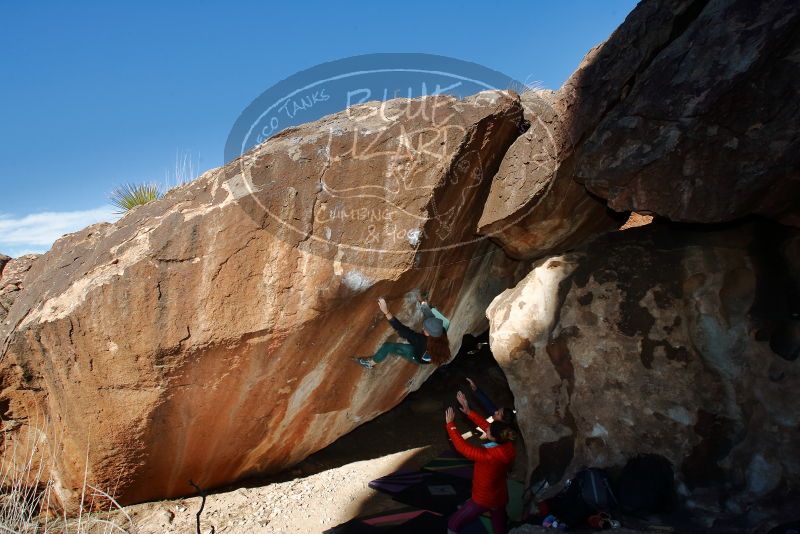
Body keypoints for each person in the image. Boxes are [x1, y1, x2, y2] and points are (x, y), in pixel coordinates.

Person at [445, 405, 516, 534]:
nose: (486, 430)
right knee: (499, 529)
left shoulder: (488, 456)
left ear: (494, 438)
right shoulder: (508, 445)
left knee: (453, 523)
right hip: (500, 495)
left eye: (488, 432)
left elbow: (463, 448)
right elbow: (488, 426)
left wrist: (451, 425)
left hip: (483, 499)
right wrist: (469, 412)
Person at [355, 296, 450, 369]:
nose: (422, 328)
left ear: (428, 334)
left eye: (424, 329)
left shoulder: (420, 341)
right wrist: (423, 305)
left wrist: (386, 311)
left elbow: (401, 329)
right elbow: (431, 318)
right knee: (433, 323)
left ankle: (370, 363)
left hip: (418, 356)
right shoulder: (441, 331)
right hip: (429, 355)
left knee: (388, 347)